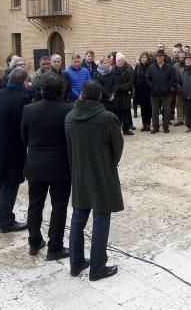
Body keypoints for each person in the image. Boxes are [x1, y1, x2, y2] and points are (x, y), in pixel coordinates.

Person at [66, 81, 124, 281]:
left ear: (81, 95)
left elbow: (70, 147)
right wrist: (110, 163)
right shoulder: (107, 118)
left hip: (80, 173)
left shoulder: (70, 117)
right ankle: (98, 267)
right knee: (101, 218)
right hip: (102, 173)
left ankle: (75, 262)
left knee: (78, 218)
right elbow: (117, 147)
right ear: (100, 97)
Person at [21, 73, 73, 259]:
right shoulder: (68, 110)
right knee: (59, 207)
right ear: (61, 90)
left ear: (41, 90)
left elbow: (24, 138)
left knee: (35, 205)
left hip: (36, 165)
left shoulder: (29, 109)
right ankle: (55, 246)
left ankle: (34, 242)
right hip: (60, 166)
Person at [0, 68, 30, 232]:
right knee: (10, 184)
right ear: (24, 82)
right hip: (12, 148)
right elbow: (23, 126)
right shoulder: (22, 98)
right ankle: (6, 221)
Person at [146, 50, 176, 133]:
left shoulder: (169, 67)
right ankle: (155, 127)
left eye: (160, 56)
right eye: (157, 56)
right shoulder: (151, 67)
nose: (159, 57)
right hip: (154, 93)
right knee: (154, 112)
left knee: (166, 111)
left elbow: (172, 78)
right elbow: (147, 78)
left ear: (164, 57)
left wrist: (168, 88)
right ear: (155, 57)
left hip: (166, 93)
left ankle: (166, 127)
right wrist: (152, 87)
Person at [114, 53, 135, 135]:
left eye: (122, 61)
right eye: (119, 61)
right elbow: (112, 82)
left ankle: (126, 129)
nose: (120, 62)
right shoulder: (112, 70)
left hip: (126, 95)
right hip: (116, 95)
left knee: (126, 113)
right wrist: (117, 88)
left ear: (124, 61)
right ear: (116, 61)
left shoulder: (128, 69)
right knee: (117, 114)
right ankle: (117, 130)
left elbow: (131, 82)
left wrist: (122, 87)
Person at [133, 52, 153, 131]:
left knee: (149, 108)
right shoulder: (138, 67)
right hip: (140, 91)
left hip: (148, 91)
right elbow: (134, 78)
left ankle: (148, 124)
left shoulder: (151, 67)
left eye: (145, 57)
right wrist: (136, 86)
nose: (143, 59)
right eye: (142, 57)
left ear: (147, 58)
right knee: (143, 108)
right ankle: (144, 124)